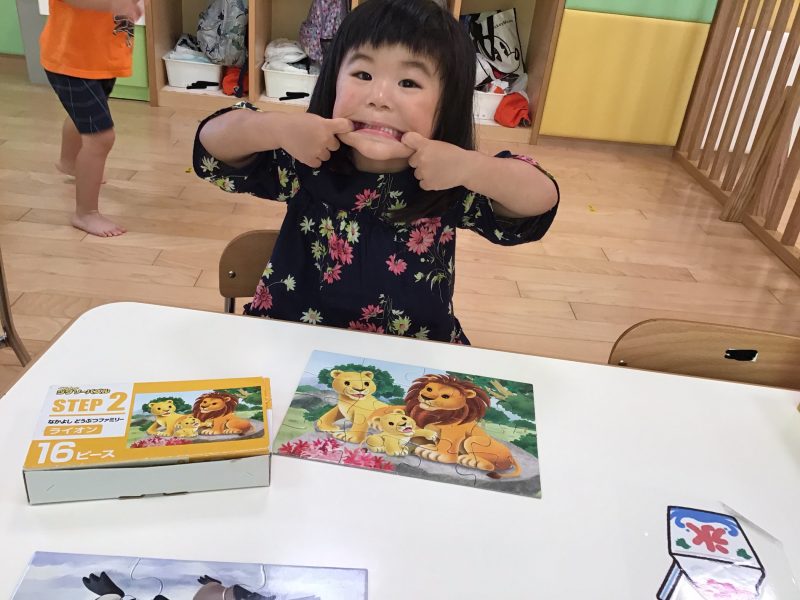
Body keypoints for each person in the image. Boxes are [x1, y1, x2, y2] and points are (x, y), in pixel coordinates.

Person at [194, 0, 559, 344]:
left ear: (448, 104)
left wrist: (470, 166)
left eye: (408, 83)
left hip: (412, 358)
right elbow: (212, 144)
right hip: (291, 342)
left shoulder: (448, 179)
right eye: (363, 74)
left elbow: (540, 197)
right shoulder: (307, 161)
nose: (379, 97)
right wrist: (276, 127)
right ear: (333, 80)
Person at [39, 0, 143, 237]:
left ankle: (68, 162)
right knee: (100, 137)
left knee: (84, 119)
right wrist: (115, 4)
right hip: (70, 63)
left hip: (100, 58)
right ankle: (86, 213)